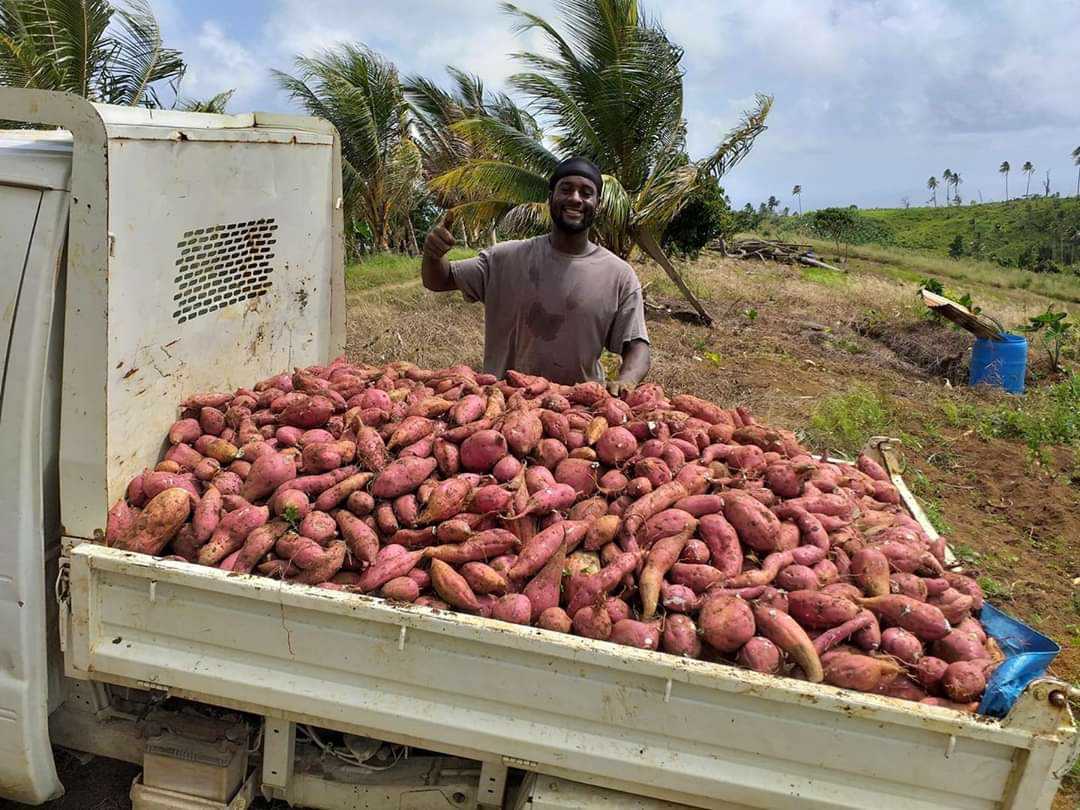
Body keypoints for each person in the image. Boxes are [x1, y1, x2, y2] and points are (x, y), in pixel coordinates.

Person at [420, 157, 651, 395]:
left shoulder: (619, 275)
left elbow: (637, 346)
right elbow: (438, 280)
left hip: (578, 412)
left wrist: (628, 381)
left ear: (597, 204)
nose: (575, 198)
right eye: (566, 189)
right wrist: (432, 255)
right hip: (502, 403)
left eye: (586, 192)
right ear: (550, 198)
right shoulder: (504, 258)